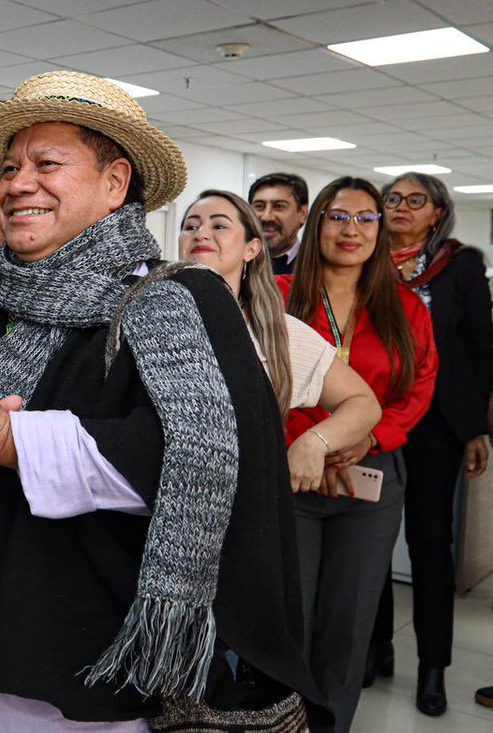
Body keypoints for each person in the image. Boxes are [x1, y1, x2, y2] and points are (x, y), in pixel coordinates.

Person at [0, 71, 322, 732]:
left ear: (115, 183)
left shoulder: (179, 306)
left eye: (47, 164)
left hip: (87, 677)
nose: (17, 184)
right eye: (12, 168)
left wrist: (6, 440)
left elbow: (195, 460)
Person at [278, 176, 438, 731]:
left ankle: (330, 724)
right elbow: (264, 384)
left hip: (370, 477)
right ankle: (279, 719)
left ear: (380, 229)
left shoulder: (405, 308)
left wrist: (366, 435)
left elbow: (418, 389)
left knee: (348, 623)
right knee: (288, 616)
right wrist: (311, 442)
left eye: (366, 218)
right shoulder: (275, 295)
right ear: (316, 221)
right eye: (338, 216)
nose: (352, 230)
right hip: (293, 475)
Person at [362, 172, 493, 716]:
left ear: (437, 213)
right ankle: (377, 647)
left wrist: (475, 428)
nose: (401, 208)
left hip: (437, 423)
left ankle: (433, 667)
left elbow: (479, 348)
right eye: (392, 199)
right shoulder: (366, 258)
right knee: (369, 537)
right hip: (371, 413)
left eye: (416, 201)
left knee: (428, 541)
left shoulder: (459, 265)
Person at [178, 189, 380, 494]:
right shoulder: (147, 318)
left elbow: (363, 404)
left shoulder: (276, 333)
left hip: (246, 502)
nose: (201, 233)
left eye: (219, 226)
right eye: (191, 226)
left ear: (252, 249)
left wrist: (314, 442)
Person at [249, 172, 309, 276]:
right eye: (259, 206)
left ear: (302, 214)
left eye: (279, 206)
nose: (267, 217)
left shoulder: (315, 269)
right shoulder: (235, 263)